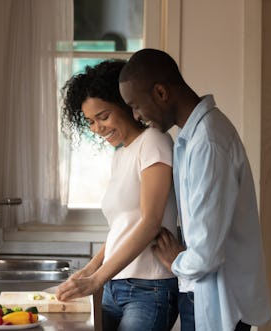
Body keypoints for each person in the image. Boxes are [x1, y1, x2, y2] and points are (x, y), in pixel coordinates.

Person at [119, 48, 271, 331]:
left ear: (161, 93)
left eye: (136, 105)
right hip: (204, 292)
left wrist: (175, 260)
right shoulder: (192, 138)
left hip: (219, 298)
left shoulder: (208, 143)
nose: (136, 116)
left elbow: (206, 254)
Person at [56, 59, 179, 331]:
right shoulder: (121, 153)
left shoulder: (154, 142)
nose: (98, 128)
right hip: (115, 287)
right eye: (90, 121)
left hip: (150, 288)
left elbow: (150, 222)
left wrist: (96, 279)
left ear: (125, 105)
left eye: (103, 116)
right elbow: (121, 229)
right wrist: (89, 271)